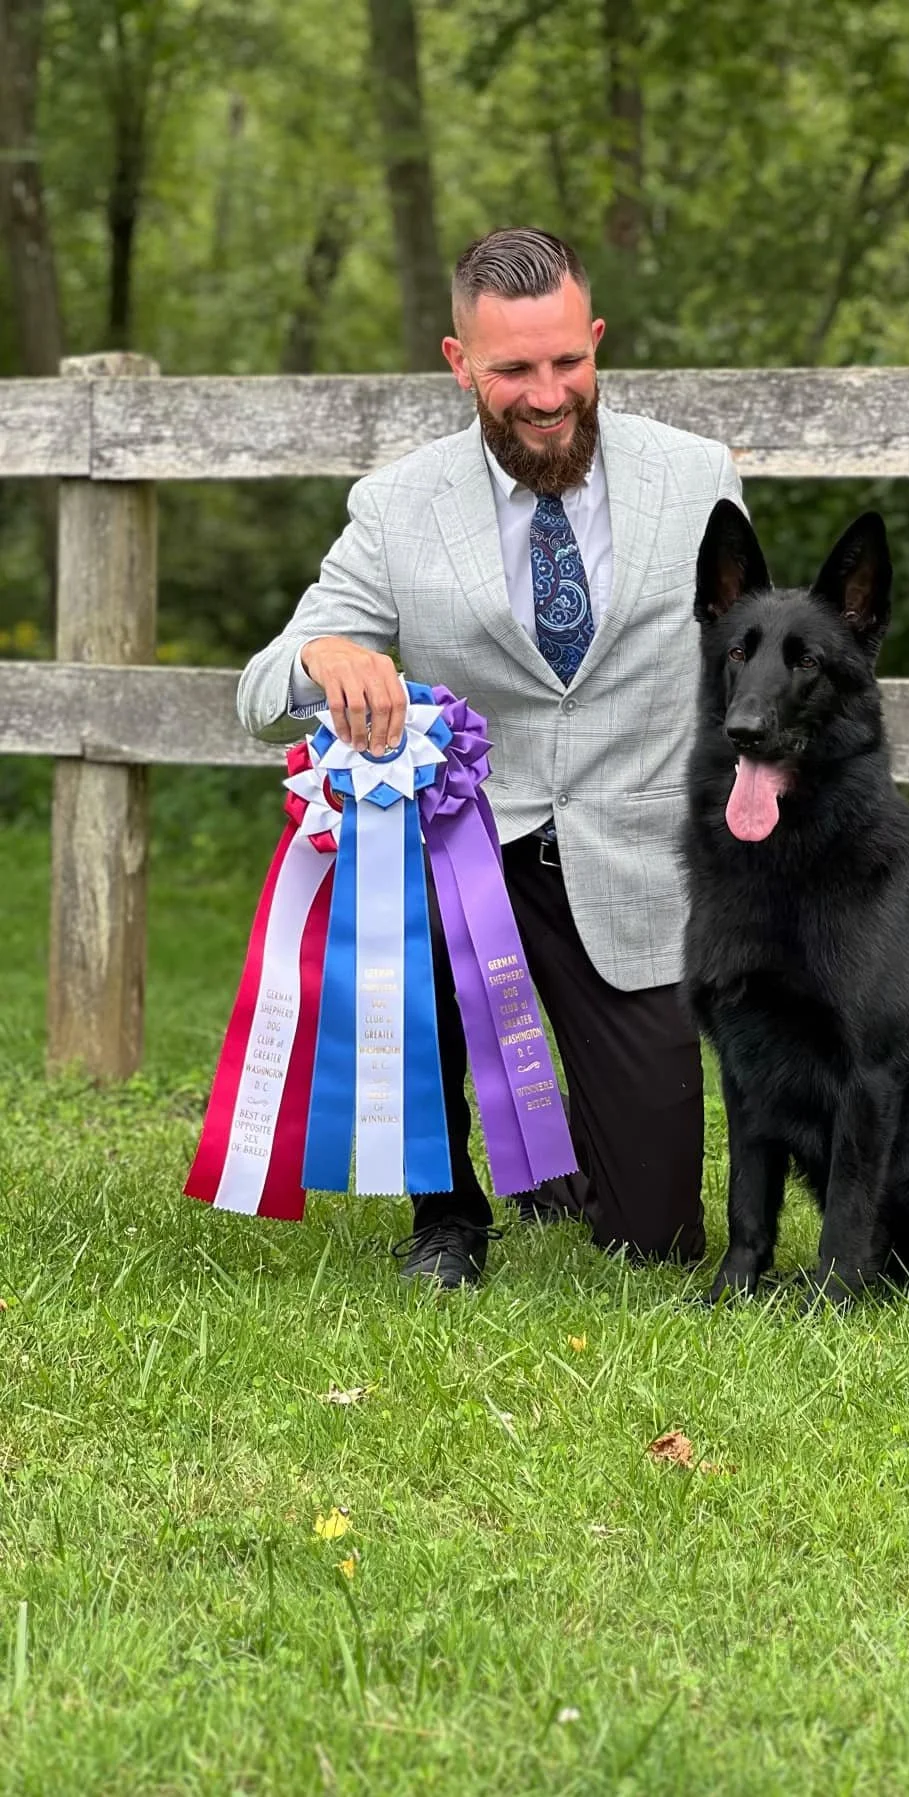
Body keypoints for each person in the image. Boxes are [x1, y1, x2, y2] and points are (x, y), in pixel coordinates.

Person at [237, 227, 744, 1290]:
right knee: (393, 907)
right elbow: (260, 686)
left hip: (634, 862)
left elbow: (748, 664)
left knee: (652, 1241)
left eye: (568, 361)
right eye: (513, 368)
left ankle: (555, 1150)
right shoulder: (397, 505)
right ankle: (447, 1210)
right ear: (458, 361)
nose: (547, 393)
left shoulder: (699, 477)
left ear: (596, 340)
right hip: (465, 851)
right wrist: (329, 653)